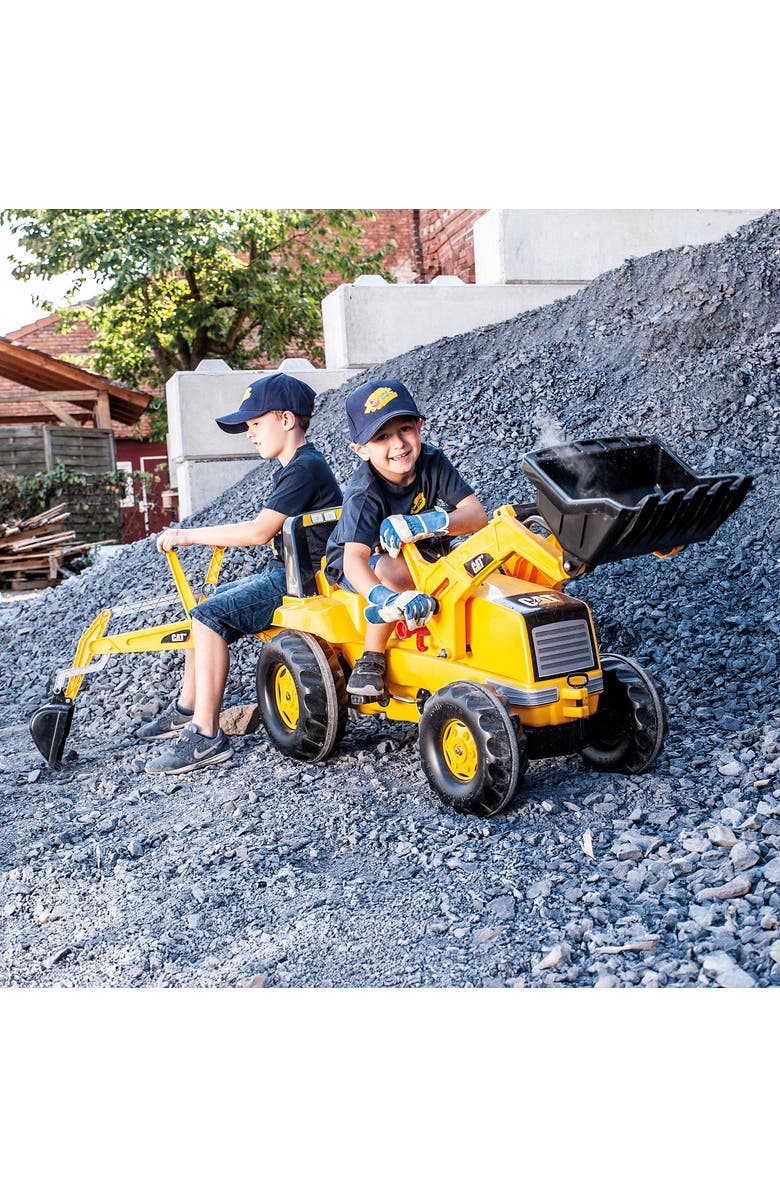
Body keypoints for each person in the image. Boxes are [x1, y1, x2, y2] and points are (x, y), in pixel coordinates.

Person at [140, 372, 342, 775]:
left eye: (255, 424)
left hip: (304, 580)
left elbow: (259, 530)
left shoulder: (303, 468)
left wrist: (188, 535)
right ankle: (188, 707)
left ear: (286, 420)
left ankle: (205, 736)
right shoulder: (299, 464)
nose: (250, 434)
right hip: (293, 570)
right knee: (206, 608)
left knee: (208, 616)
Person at [323, 378, 488, 701]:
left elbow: (477, 516)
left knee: (478, 561)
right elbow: (352, 561)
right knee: (397, 572)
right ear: (360, 450)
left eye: (404, 429)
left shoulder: (433, 461)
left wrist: (432, 521)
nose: (398, 444)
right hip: (358, 564)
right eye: (382, 437)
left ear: (420, 427)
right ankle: (372, 660)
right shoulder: (365, 492)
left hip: (420, 550)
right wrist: (385, 598)